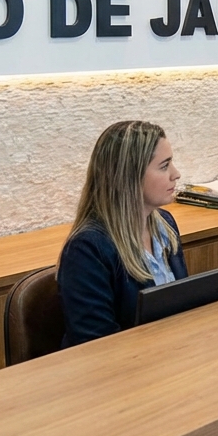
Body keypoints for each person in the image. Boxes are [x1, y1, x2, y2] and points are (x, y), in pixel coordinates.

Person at [58, 120, 189, 347]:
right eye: (164, 165)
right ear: (130, 175)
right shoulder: (87, 249)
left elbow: (183, 305)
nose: (175, 174)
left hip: (169, 356)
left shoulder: (165, 225)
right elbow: (98, 345)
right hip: (121, 373)